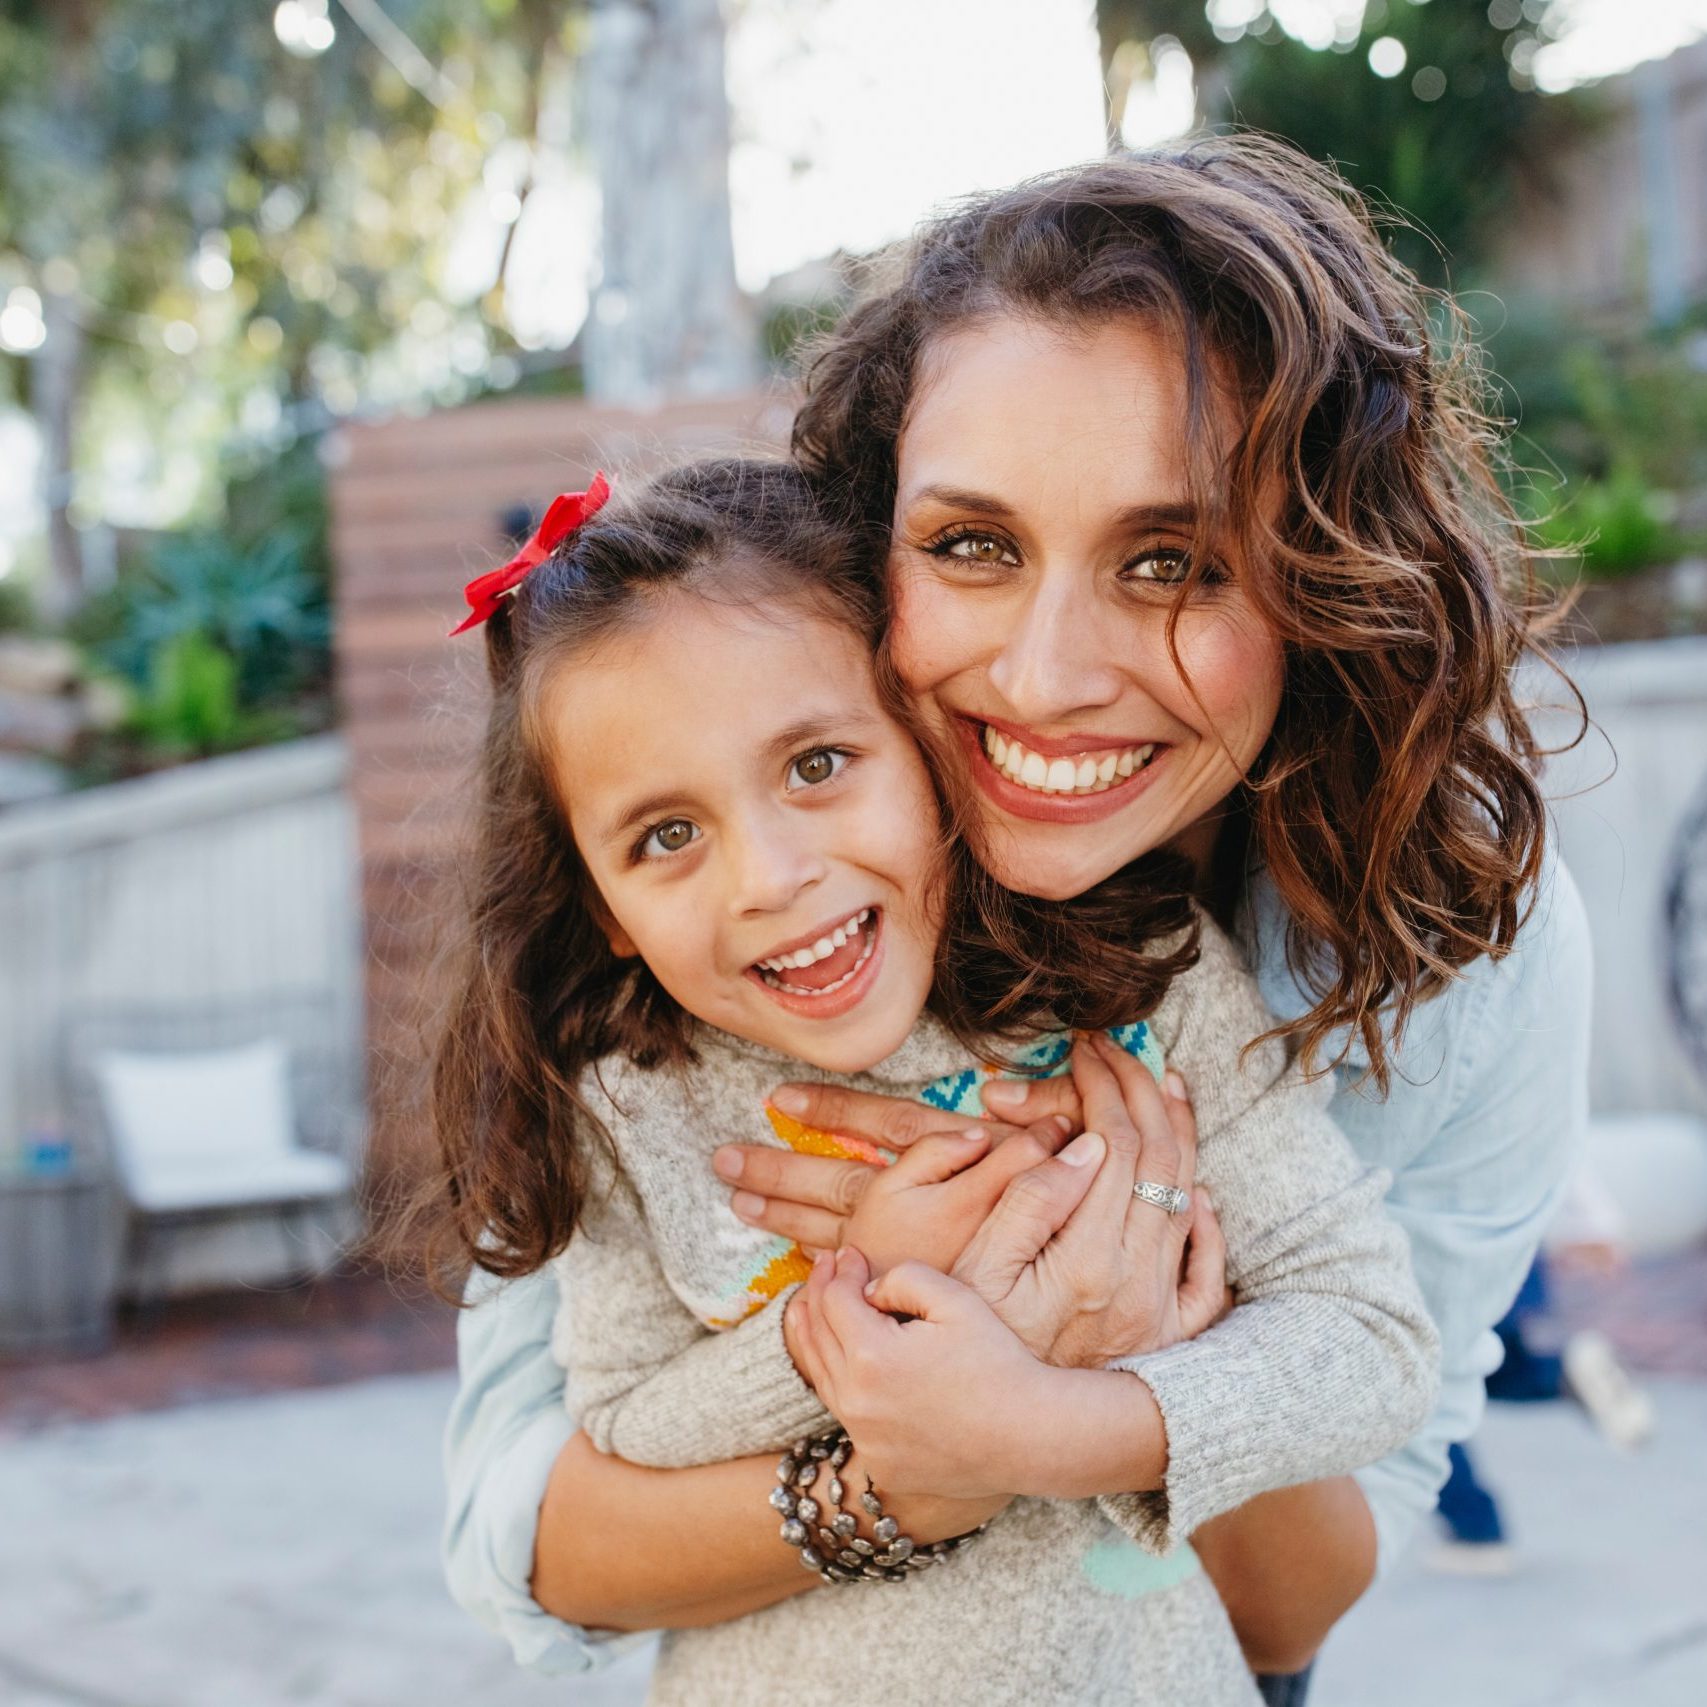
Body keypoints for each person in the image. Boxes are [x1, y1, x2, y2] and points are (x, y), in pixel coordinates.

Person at [441, 136, 1592, 1701]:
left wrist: (1102, 1369)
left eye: (1172, 561)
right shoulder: (691, 990)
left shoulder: (1450, 947)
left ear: (1320, 580)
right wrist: (924, 1420)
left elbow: (1291, 1608)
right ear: (857, 555)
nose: (1046, 675)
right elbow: (539, 1523)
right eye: (971, 545)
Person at [425, 453, 1436, 1704]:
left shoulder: (1136, 992)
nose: (768, 876)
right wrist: (880, 1301)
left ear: (930, 746)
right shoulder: (629, 1102)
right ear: (606, 907)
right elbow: (626, 1428)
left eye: (815, 766)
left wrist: (1051, 1416)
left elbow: (1376, 1341)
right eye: (667, 836)